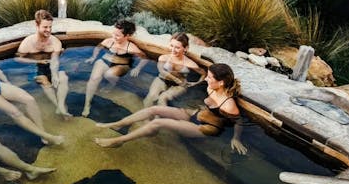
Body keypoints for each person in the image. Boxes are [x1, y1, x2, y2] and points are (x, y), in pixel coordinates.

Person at [93, 63, 247, 155]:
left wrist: (236, 138)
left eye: (210, 77)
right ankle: (119, 123)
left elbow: (238, 121)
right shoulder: (211, 89)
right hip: (195, 114)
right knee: (153, 110)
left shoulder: (228, 105)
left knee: (158, 123)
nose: (206, 78)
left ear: (220, 83)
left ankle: (119, 141)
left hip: (206, 128)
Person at [82, 19, 149, 117]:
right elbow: (98, 47)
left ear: (127, 36)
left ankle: (112, 83)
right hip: (105, 61)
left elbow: (145, 58)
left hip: (122, 65)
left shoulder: (131, 48)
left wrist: (137, 68)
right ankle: (87, 105)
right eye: (113, 33)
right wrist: (93, 57)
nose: (114, 37)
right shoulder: (108, 41)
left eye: (117, 35)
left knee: (109, 74)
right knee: (94, 79)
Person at [16, 10, 71, 119]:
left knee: (63, 77)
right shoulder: (27, 43)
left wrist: (54, 74)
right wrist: (37, 61)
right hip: (35, 66)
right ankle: (58, 107)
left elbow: (55, 60)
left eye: (50, 27)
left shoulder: (55, 42)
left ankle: (60, 106)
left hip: (50, 64)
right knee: (43, 80)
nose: (49, 30)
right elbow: (19, 59)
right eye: (45, 27)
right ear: (37, 25)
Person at [143, 32, 206, 107]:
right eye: (171, 46)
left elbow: (204, 73)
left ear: (185, 48)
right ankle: (145, 117)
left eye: (177, 47)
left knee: (163, 98)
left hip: (180, 85)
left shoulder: (190, 64)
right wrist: (176, 79)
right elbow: (162, 71)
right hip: (162, 79)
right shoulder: (163, 58)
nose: (173, 50)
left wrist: (195, 83)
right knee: (151, 97)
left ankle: (159, 117)